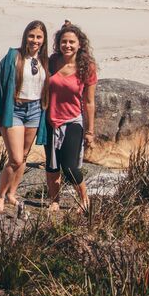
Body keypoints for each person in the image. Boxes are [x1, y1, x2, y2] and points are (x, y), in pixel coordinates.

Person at [0, 21, 50, 213]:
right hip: (14, 109)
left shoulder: (46, 61)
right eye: (31, 36)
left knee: (23, 156)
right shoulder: (12, 57)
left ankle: (12, 194)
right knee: (14, 158)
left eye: (39, 37)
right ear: (25, 36)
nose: (35, 40)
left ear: (43, 40)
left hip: (35, 110)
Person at [44, 23, 97, 213]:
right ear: (58, 44)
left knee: (69, 166)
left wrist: (90, 131)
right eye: (64, 41)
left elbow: (89, 102)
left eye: (71, 42)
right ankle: (54, 201)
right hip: (50, 121)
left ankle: (84, 198)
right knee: (52, 166)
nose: (67, 45)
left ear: (80, 44)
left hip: (73, 121)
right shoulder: (51, 61)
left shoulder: (86, 67)